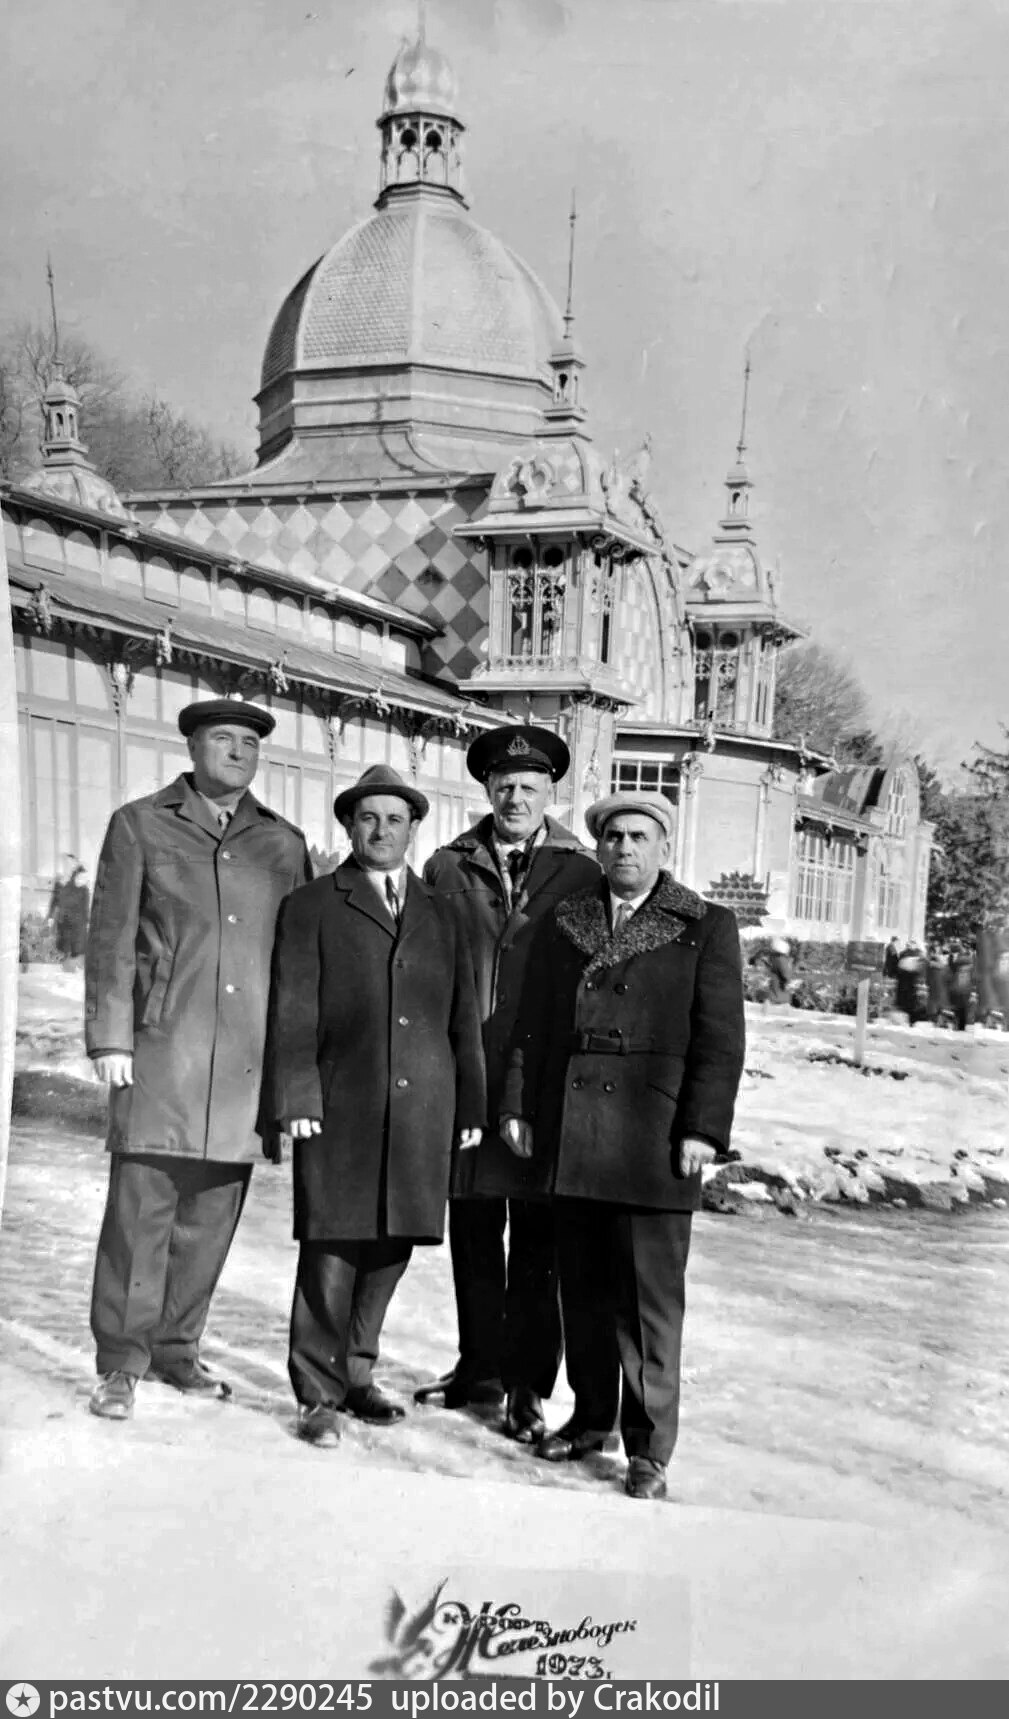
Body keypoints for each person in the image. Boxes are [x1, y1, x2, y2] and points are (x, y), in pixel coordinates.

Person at [503, 790, 745, 1501]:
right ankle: (590, 1419)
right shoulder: (567, 921)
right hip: (575, 1131)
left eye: (639, 837)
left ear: (664, 847)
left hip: (653, 1136)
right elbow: (532, 1025)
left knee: (647, 1304)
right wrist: (518, 1104)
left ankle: (648, 1449)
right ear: (599, 847)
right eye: (613, 837)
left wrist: (702, 1128)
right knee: (581, 1291)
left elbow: (721, 1040)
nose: (625, 849)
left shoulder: (705, 924)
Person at [84, 697, 311, 1422]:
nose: (240, 752)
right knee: (139, 1216)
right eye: (224, 739)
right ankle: (121, 1362)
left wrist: (296, 1070)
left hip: (246, 1065)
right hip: (162, 1052)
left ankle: (176, 1350)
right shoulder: (140, 824)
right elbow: (111, 939)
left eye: (251, 742)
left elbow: (302, 965)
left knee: (211, 1220)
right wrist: (111, 1037)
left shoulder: (284, 844)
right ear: (191, 748)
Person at [267, 764, 485, 1449]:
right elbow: (293, 1007)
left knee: (393, 1242)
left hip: (423, 1110)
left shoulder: (442, 911)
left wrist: (470, 1105)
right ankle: (318, 1393)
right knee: (332, 1244)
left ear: (413, 828)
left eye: (395, 819)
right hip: (342, 1104)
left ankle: (357, 1372)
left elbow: (463, 1018)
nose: (381, 830)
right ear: (349, 825)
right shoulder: (312, 904)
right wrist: (297, 1093)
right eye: (368, 818)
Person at [413, 725, 600, 1442]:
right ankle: (479, 1367)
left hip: (543, 1081)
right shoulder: (447, 865)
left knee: (538, 1241)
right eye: (503, 786)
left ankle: (527, 1384)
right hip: (466, 1072)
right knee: (472, 1229)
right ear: (487, 789)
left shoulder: (580, 872)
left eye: (528, 786)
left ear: (550, 792)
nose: (514, 798)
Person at [54, 863, 90, 961]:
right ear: (75, 877)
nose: (84, 880)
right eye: (81, 877)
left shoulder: (85, 890)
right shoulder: (67, 889)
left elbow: (85, 908)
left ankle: (74, 960)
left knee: (78, 949)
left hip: (79, 925)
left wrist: (87, 921)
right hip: (67, 924)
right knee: (66, 948)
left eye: (85, 878)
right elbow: (62, 904)